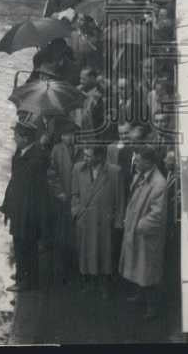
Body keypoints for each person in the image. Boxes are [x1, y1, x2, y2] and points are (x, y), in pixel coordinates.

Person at [0, 119, 49, 292]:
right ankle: (23, 275)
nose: (14, 138)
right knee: (20, 244)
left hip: (27, 211)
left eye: (17, 135)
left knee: (26, 245)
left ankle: (26, 280)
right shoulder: (22, 153)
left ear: (25, 138)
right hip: (19, 208)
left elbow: (29, 189)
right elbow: (14, 183)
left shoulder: (36, 159)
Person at [120, 145, 168, 320]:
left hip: (147, 237)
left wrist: (138, 226)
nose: (135, 162)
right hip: (138, 233)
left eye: (138, 159)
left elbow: (157, 216)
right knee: (140, 269)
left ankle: (152, 308)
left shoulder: (159, 184)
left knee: (149, 273)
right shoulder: (142, 175)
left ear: (149, 161)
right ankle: (140, 296)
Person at [71, 144, 123, 298]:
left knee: (105, 254)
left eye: (89, 156)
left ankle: (104, 285)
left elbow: (120, 201)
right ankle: (88, 283)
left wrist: (118, 222)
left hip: (104, 222)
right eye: (84, 155)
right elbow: (74, 194)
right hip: (85, 220)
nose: (85, 159)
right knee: (86, 253)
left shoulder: (114, 172)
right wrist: (76, 212)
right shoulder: (77, 169)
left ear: (100, 156)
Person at [46, 119, 79, 285]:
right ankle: (60, 271)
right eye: (66, 135)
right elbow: (51, 173)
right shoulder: (57, 150)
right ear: (62, 136)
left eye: (72, 134)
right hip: (61, 201)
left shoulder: (79, 150)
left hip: (76, 200)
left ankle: (72, 270)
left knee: (74, 237)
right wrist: (59, 192)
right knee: (60, 236)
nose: (69, 138)